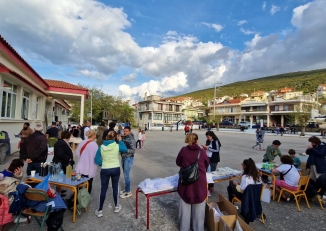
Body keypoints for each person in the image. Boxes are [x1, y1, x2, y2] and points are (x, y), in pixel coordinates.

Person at [176, 133, 209, 231]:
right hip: (199, 183)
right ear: (197, 141)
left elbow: (178, 162)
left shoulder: (183, 150)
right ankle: (198, 228)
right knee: (199, 208)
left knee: (185, 207)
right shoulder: (202, 152)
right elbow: (207, 164)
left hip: (185, 182)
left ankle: (184, 228)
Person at [94, 131, 127, 217]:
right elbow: (125, 149)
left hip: (105, 169)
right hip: (115, 168)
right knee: (115, 186)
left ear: (106, 137)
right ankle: (116, 206)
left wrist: (102, 164)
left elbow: (96, 160)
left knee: (103, 188)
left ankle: (100, 210)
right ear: (115, 138)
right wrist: (120, 140)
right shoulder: (117, 146)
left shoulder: (101, 147)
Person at [75, 130, 98, 194]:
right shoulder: (94, 145)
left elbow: (77, 153)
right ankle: (86, 198)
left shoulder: (82, 142)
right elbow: (96, 156)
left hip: (81, 166)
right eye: (95, 135)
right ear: (93, 136)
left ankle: (77, 197)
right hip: (90, 167)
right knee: (89, 183)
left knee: (79, 183)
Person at [120, 126, 136, 199]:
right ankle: (126, 189)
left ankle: (128, 191)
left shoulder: (131, 139)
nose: (125, 132)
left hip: (128, 158)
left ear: (129, 131)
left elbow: (133, 150)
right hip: (123, 158)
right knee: (125, 174)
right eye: (124, 131)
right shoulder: (123, 137)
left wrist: (125, 150)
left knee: (126, 175)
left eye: (126, 131)